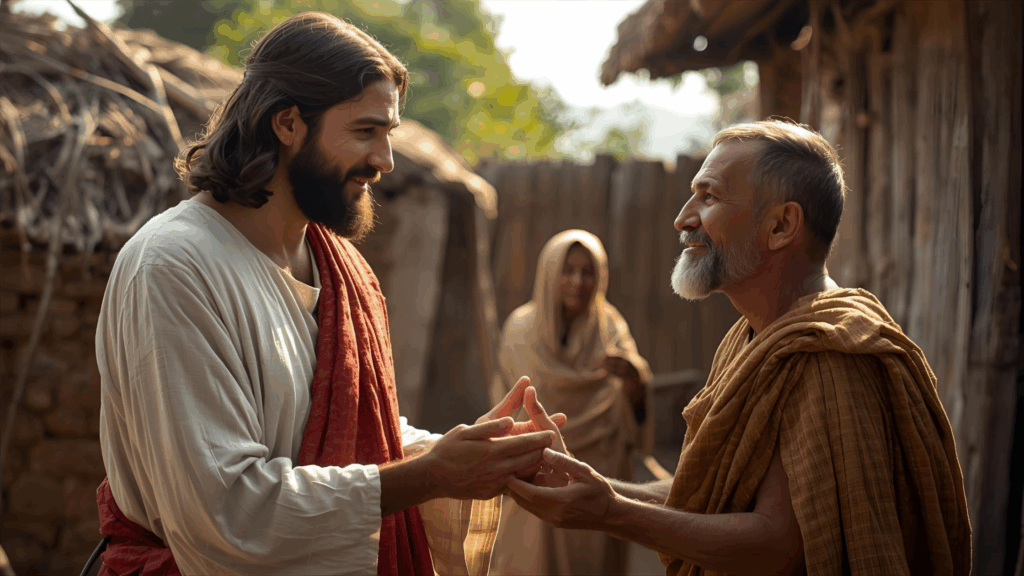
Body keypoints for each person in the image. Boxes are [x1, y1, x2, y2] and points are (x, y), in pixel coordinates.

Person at [94, 12, 565, 575]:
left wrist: (475, 453)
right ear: (288, 123)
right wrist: (431, 474)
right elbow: (224, 510)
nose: (384, 162)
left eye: (388, 135)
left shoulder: (341, 268)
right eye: (366, 132)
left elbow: (357, 441)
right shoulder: (174, 265)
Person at [507, 120, 972, 576]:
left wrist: (611, 514)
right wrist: (599, 488)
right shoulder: (751, 337)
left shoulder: (829, 359)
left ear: (780, 226)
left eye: (708, 197)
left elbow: (778, 548)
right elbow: (712, 491)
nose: (684, 218)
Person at [489, 230, 653, 576]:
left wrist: (634, 376)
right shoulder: (519, 330)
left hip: (600, 468)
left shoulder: (610, 326)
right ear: (549, 273)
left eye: (588, 271)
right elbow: (507, 407)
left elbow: (635, 398)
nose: (578, 281)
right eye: (568, 270)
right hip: (536, 468)